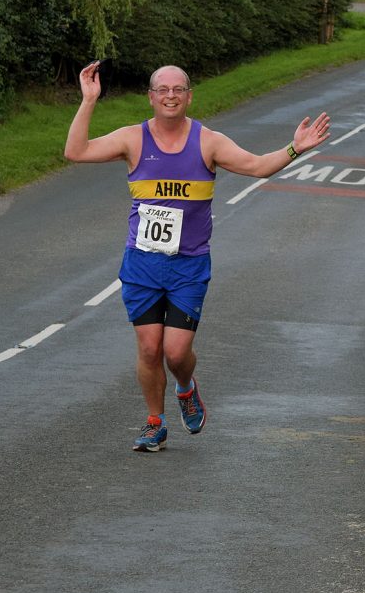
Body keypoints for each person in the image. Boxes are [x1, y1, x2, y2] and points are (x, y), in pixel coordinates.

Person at [64, 63, 330, 453]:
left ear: (189, 96)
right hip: (142, 263)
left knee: (175, 353)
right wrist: (89, 100)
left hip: (188, 266)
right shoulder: (133, 140)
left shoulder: (208, 142)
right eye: (162, 90)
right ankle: (155, 422)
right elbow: (76, 151)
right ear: (151, 97)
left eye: (178, 89)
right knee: (150, 348)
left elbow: (256, 166)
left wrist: (295, 148)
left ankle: (186, 388)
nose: (170, 96)